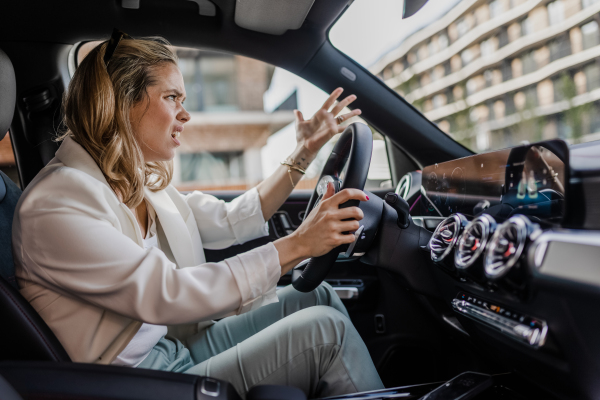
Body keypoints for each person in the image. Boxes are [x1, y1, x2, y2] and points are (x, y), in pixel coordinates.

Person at [12, 32, 384, 398]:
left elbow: (230, 219)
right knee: (326, 334)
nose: (185, 114)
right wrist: (299, 244)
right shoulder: (56, 203)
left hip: (174, 345)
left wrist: (303, 152)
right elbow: (166, 293)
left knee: (317, 297)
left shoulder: (133, 181)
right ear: (120, 101)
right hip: (136, 380)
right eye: (172, 97)